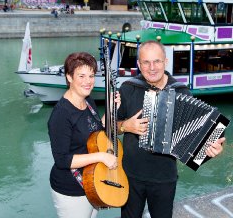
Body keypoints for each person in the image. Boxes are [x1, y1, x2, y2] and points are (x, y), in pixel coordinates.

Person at [117, 40, 226, 218]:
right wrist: (125, 126)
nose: (152, 67)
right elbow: (110, 126)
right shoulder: (128, 88)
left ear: (165, 62)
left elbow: (199, 137)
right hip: (130, 175)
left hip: (164, 179)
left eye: (157, 61)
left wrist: (212, 149)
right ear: (138, 64)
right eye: (146, 62)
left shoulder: (182, 92)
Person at [48, 52, 120, 218]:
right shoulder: (61, 114)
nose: (88, 81)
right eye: (81, 76)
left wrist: (111, 109)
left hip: (92, 181)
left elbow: (97, 131)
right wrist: (101, 156)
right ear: (69, 77)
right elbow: (62, 160)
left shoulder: (87, 100)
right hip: (71, 188)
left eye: (91, 75)